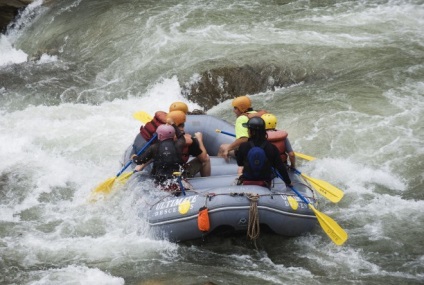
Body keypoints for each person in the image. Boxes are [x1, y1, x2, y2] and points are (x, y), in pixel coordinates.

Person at [236, 117, 292, 188]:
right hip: (265, 182)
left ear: (252, 132)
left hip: (247, 180)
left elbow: (239, 163)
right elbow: (280, 167)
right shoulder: (271, 147)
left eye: (248, 129)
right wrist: (288, 182)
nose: (247, 131)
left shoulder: (243, 146)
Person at [132, 124, 185, 190]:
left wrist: (134, 157)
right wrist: (173, 124)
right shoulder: (179, 145)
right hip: (176, 178)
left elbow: (139, 161)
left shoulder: (154, 147)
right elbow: (181, 137)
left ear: (160, 135)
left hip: (160, 181)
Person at [218, 95, 266, 160]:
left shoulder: (241, 119)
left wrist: (228, 149)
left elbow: (243, 139)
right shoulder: (256, 114)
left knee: (222, 147)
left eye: (235, 108)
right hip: (263, 148)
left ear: (241, 108)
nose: (233, 111)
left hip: (250, 151)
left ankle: (221, 168)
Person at [166, 110, 211, 177]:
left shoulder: (160, 135)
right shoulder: (189, 141)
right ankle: (207, 183)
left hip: (160, 174)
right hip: (178, 175)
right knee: (206, 158)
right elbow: (204, 158)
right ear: (182, 126)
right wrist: (199, 140)